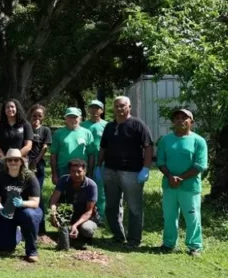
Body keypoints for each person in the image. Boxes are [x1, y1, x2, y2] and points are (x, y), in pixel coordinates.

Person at [98, 96, 153, 249]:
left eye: (122, 106)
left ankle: (134, 240)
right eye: (116, 106)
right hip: (110, 171)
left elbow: (148, 146)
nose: (119, 108)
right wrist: (98, 165)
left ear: (129, 107)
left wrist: (146, 168)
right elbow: (103, 147)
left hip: (132, 173)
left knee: (134, 207)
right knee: (111, 206)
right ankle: (118, 236)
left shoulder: (138, 125)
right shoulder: (109, 126)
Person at [156, 108, 208, 256]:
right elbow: (160, 161)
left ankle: (194, 246)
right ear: (173, 122)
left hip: (190, 187)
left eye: (184, 118)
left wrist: (181, 178)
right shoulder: (165, 140)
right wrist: (170, 177)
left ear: (191, 121)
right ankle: (168, 244)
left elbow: (200, 165)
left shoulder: (199, 141)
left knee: (192, 217)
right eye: (177, 118)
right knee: (169, 216)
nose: (180, 120)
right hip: (169, 185)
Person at [0, 149, 43, 262]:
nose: (13, 162)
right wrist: (1, 209)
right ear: (6, 162)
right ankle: (17, 233)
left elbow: (35, 202)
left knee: (28, 215)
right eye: (10, 160)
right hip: (7, 211)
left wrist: (22, 203)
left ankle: (31, 251)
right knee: (4, 248)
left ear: (21, 162)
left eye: (16, 160)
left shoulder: (30, 177)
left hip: (27, 211)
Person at [49, 159, 99, 249]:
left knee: (86, 229)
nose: (76, 174)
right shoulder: (63, 180)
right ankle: (66, 237)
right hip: (69, 212)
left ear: (85, 171)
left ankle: (83, 238)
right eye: (73, 171)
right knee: (57, 219)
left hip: (87, 217)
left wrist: (75, 225)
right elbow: (53, 200)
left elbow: (89, 212)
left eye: (79, 172)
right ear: (69, 171)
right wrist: (53, 213)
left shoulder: (91, 185)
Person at [51, 107, 96, 184]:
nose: (72, 119)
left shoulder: (87, 133)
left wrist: (90, 173)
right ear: (65, 118)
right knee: (63, 195)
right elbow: (53, 155)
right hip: (63, 170)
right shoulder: (58, 133)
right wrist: (54, 174)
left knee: (81, 195)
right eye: (69, 117)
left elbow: (91, 154)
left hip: (81, 170)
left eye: (75, 117)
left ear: (80, 118)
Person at [81, 100, 108, 221]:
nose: (94, 110)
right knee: (85, 187)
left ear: (101, 111)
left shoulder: (107, 125)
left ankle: (100, 216)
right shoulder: (82, 125)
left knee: (100, 189)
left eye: (97, 108)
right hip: (85, 160)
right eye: (91, 107)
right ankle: (86, 213)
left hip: (101, 162)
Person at [0, 100, 33, 168]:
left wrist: (14, 158)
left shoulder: (25, 124)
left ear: (17, 108)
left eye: (12, 107)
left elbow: (28, 146)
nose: (10, 109)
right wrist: (5, 160)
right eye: (7, 107)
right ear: (4, 110)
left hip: (20, 160)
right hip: (3, 162)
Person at [27, 104, 52, 188]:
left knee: (37, 186)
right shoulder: (26, 127)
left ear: (43, 117)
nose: (37, 118)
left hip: (38, 161)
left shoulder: (46, 130)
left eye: (40, 116)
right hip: (25, 161)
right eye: (34, 115)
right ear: (31, 115)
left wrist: (36, 160)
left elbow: (45, 147)